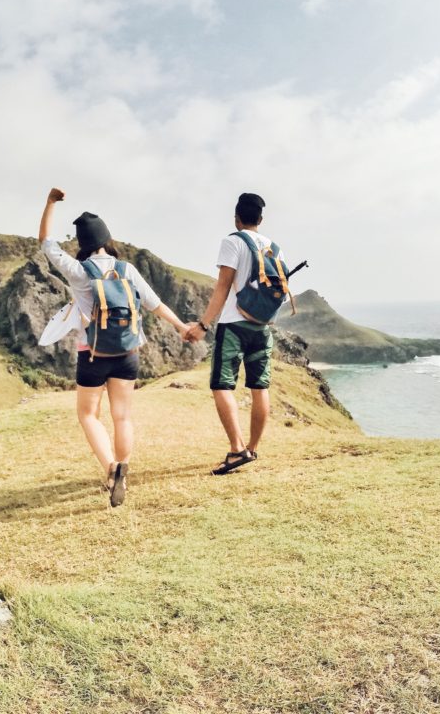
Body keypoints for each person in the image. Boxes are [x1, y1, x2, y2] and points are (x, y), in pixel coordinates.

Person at [38, 187, 190, 507]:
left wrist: (50, 203)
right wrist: (182, 327)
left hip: (92, 354)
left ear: (83, 245)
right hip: (128, 354)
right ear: (107, 240)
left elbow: (45, 244)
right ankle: (123, 467)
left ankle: (110, 468)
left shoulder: (79, 272)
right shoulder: (127, 269)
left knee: (88, 415)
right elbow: (155, 305)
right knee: (122, 417)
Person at [183, 192, 287, 475]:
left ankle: (236, 449)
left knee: (221, 385)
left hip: (234, 323)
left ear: (237, 218)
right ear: (261, 219)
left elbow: (223, 287)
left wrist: (203, 324)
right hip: (263, 327)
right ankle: (251, 448)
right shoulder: (274, 248)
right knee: (259, 388)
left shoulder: (233, 241)